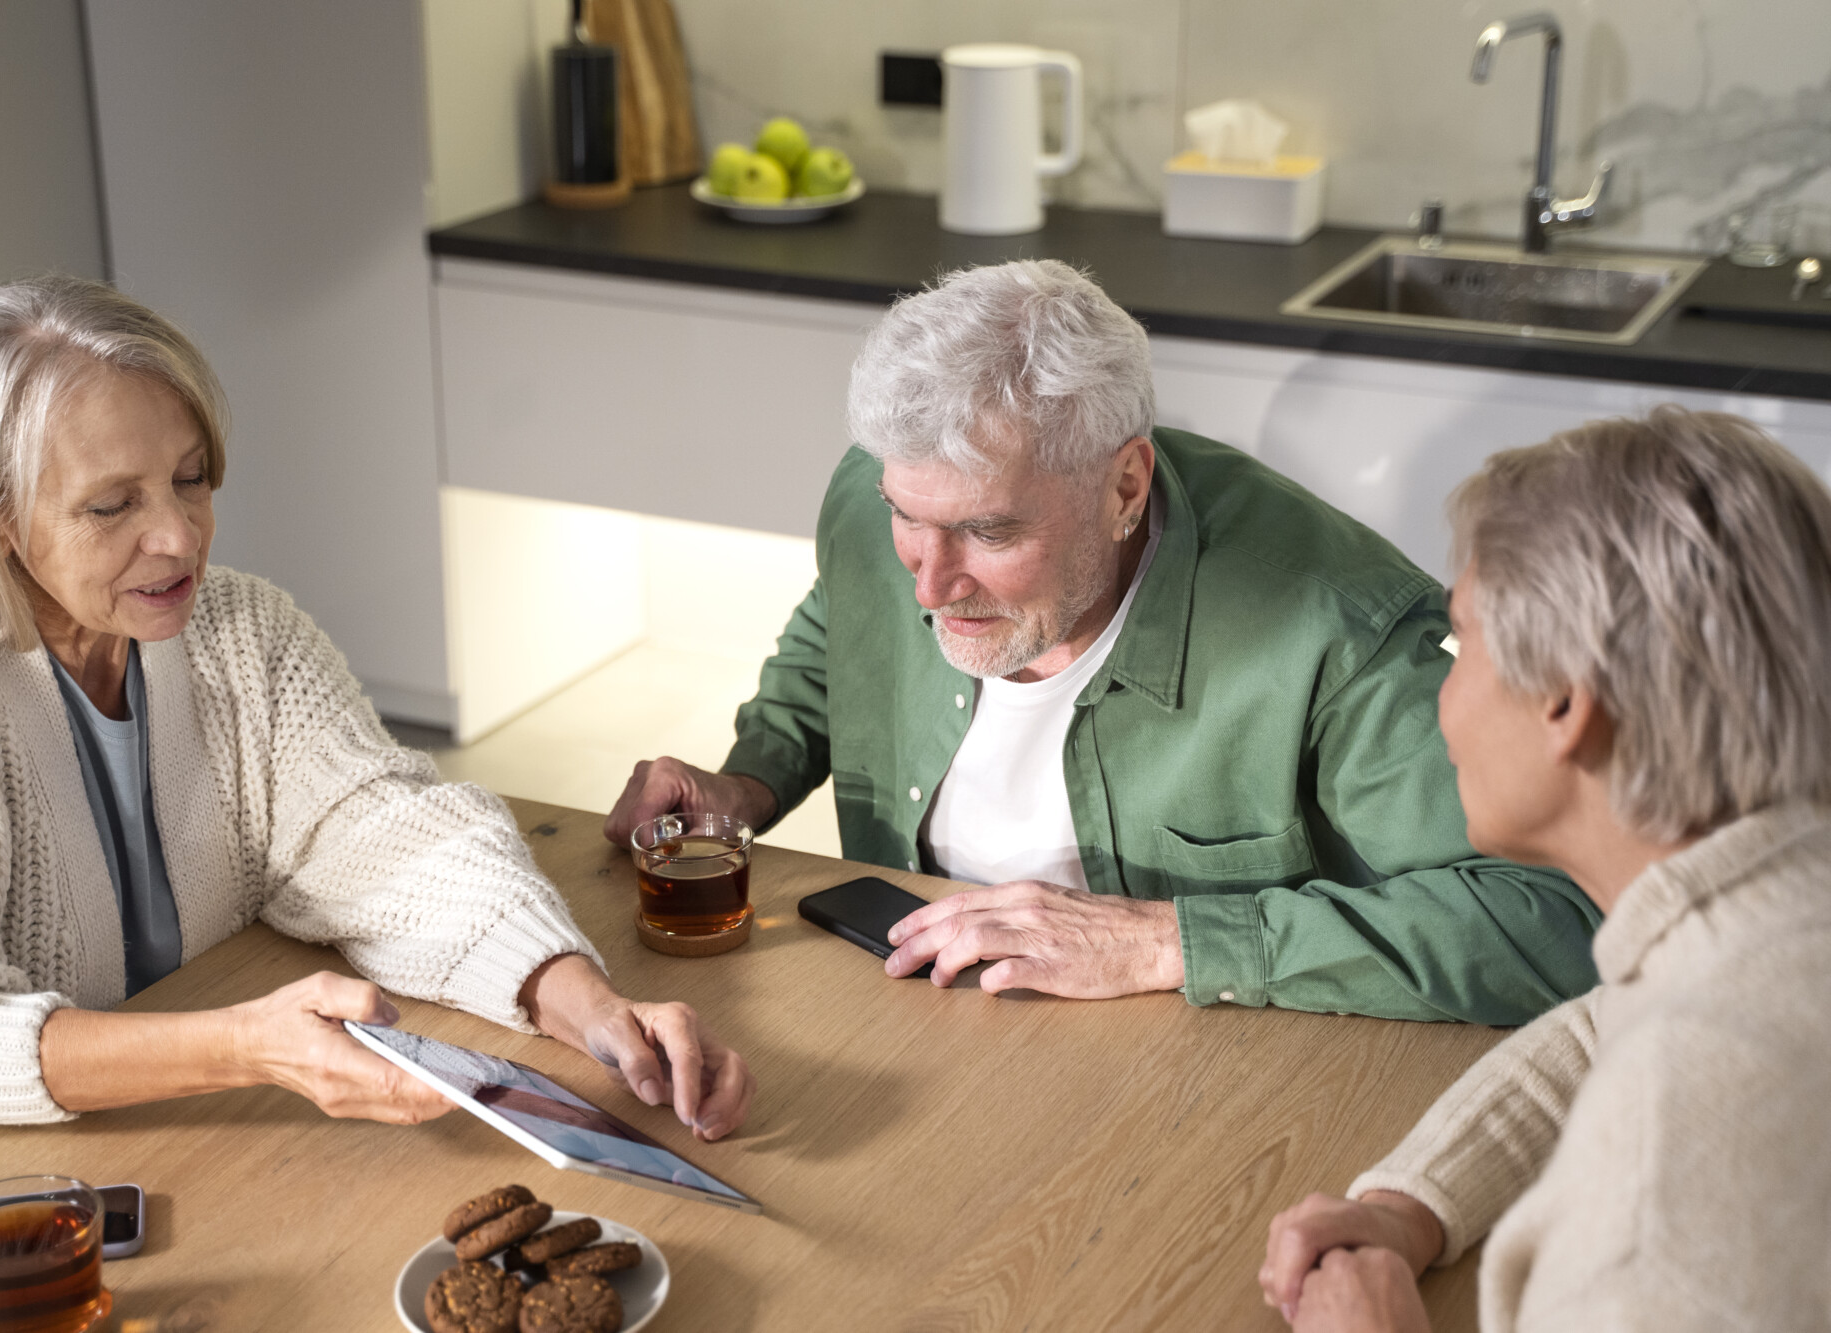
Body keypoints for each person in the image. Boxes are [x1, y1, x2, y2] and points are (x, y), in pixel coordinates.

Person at [0, 276, 753, 1174]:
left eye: (191, 479)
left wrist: (590, 1007)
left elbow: (393, 840)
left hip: (193, 1145)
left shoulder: (242, 628)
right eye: (113, 505)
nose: (179, 536)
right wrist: (247, 1045)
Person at [606, 259, 1597, 1024]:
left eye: (989, 533)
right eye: (906, 516)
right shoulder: (887, 507)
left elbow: (1557, 921)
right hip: (917, 1021)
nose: (930, 583)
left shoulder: (1335, 629)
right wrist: (750, 780)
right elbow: (841, 629)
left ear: (1125, 486)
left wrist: (1167, 943)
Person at [1258, 406, 1831, 1331]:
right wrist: (1409, 1204)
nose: (1442, 697)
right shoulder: (1773, 913)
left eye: (1458, 643)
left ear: (1566, 701)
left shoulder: (1658, 1194)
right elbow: (1603, 1029)